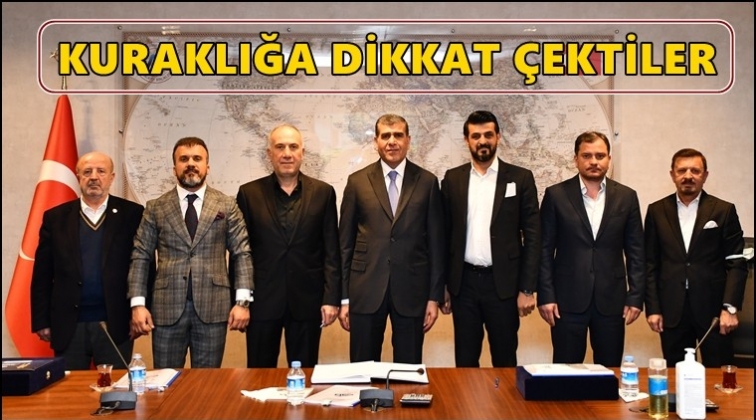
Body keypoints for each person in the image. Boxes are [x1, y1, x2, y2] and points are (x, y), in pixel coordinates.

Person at [128, 137, 253, 368]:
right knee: (165, 381)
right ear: (174, 168)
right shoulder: (156, 207)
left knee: (207, 384)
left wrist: (243, 302)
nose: (191, 164)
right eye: (184, 159)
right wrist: (138, 304)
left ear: (207, 166)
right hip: (166, 308)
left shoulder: (227, 205)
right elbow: (141, 256)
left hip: (213, 308)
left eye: (197, 158)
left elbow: (242, 253)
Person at [338, 114, 445, 364]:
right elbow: (345, 245)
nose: (392, 141)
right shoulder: (357, 182)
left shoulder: (427, 182)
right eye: (385, 136)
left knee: (408, 370)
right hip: (365, 291)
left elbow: (436, 245)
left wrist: (433, 297)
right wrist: (344, 299)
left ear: (408, 140)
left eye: (398, 135)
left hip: (412, 292)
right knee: (362, 369)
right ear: (376, 141)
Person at [440, 110, 541, 367]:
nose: (482, 141)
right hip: (463, 285)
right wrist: (443, 285)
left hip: (504, 286)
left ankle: (505, 397)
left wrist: (527, 289)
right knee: (465, 362)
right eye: (476, 136)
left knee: (505, 361)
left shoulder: (520, 178)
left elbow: (533, 237)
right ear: (467, 140)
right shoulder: (453, 179)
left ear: (498, 137)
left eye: (488, 134)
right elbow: (443, 236)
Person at [235, 124, 340, 368]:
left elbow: (331, 252)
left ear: (302, 152)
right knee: (259, 376)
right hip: (262, 303)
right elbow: (241, 253)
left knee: (304, 375)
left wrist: (331, 298)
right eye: (280, 147)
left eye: (293, 147)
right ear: (269, 153)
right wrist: (241, 301)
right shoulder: (249, 194)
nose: (287, 153)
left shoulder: (324, 193)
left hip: (308, 302)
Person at [31, 151, 146, 370]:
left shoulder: (132, 214)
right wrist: (41, 320)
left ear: (111, 177)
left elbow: (143, 266)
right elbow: (42, 274)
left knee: (115, 388)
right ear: (78, 177)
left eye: (101, 171)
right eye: (87, 172)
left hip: (117, 323)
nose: (94, 177)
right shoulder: (55, 217)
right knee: (69, 388)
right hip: (68, 325)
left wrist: (139, 310)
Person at [537, 131, 644, 367]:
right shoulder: (556, 195)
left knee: (609, 371)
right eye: (586, 156)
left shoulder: (626, 197)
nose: (594, 161)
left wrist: (636, 296)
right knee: (565, 372)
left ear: (609, 159)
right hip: (566, 301)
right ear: (576, 159)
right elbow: (543, 250)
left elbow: (636, 252)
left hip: (612, 301)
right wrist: (546, 295)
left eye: (600, 156)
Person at [645, 148, 748, 367]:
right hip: (672, 311)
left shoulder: (723, 210)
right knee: (676, 374)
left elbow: (737, 263)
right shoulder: (656, 211)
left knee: (720, 374)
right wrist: (653, 309)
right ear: (672, 174)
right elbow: (650, 264)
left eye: (695, 170)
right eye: (682, 170)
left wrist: (730, 308)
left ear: (705, 175)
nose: (688, 176)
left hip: (715, 312)